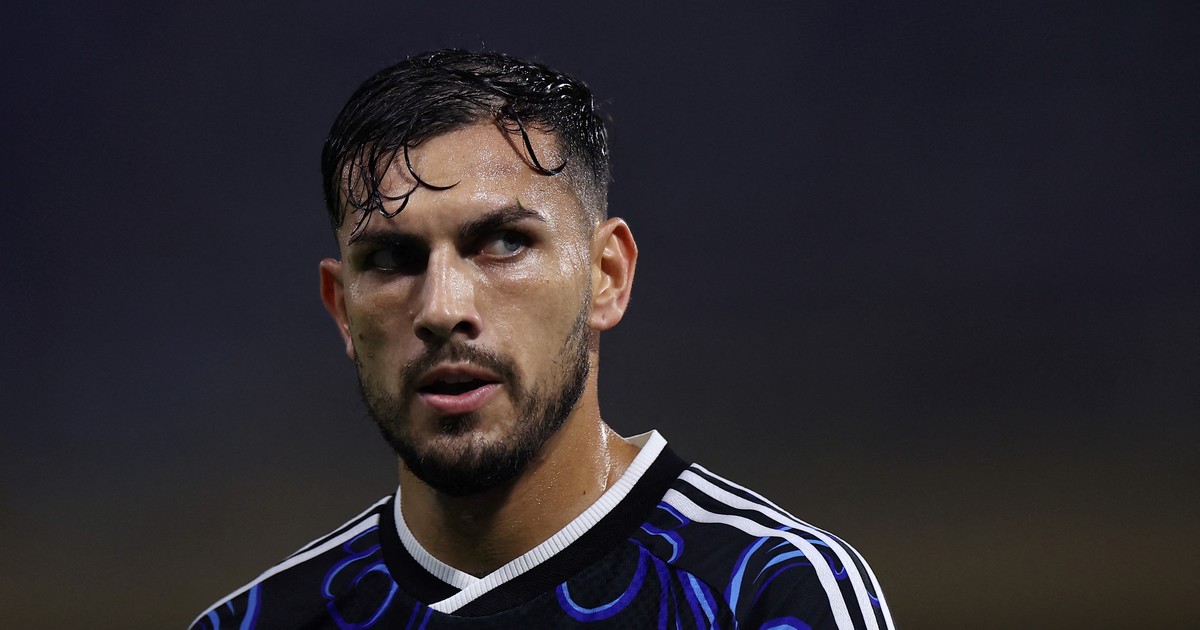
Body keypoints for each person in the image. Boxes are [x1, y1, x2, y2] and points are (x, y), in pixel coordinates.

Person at [191, 49, 894, 630]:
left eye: (503, 242)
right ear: (343, 308)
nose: (442, 309)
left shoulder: (772, 597)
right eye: (393, 259)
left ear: (606, 276)